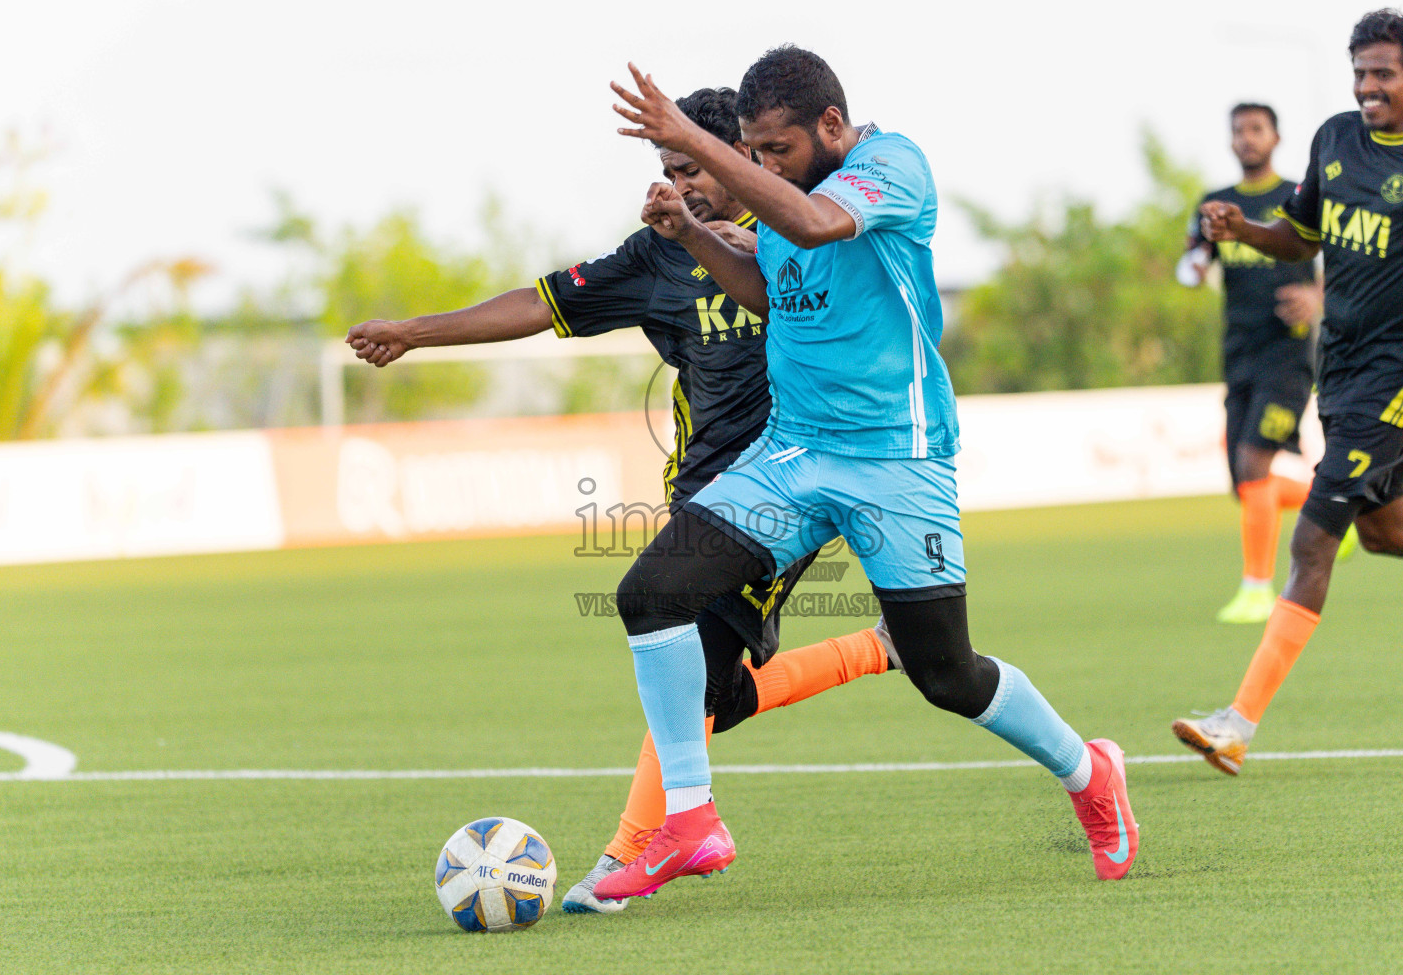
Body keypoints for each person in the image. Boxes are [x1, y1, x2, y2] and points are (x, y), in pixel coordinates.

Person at [594, 46, 1139, 904]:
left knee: (946, 674)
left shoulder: (894, 165)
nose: (763, 168)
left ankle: (1089, 770)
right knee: (650, 594)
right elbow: (773, 290)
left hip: (896, 460)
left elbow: (811, 224)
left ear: (832, 127)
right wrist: (696, 233)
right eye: (753, 151)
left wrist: (692, 138)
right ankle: (689, 824)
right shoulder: (778, 189)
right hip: (794, 452)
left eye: (777, 150)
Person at [346, 87, 899, 913]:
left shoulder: (804, 238)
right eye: (670, 169)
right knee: (717, 692)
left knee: (690, 659)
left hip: (788, 485)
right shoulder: (658, 254)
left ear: (745, 159)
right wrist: (415, 330)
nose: (681, 184)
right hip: (699, 493)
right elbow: (541, 303)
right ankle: (879, 650)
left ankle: (627, 857)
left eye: (696, 167)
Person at [1173, 8, 1403, 775]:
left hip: (1400, 374)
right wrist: (1242, 230)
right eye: (1359, 73)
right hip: (1340, 366)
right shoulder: (1334, 138)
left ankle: (1237, 722)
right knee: (1389, 532)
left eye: (1383, 73)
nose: (1367, 87)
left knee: (1314, 538)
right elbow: (1304, 235)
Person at [1178, 104, 1334, 624]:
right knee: (1243, 483)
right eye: (1238, 131)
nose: (1247, 139)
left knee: (1253, 466)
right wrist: (1194, 263)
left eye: (1256, 129)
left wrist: (1317, 298)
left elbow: (1341, 256)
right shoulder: (1215, 205)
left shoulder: (1298, 196)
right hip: (1239, 353)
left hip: (1288, 354)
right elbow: (1193, 259)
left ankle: (1257, 589)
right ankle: (1337, 507)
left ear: (1276, 137)